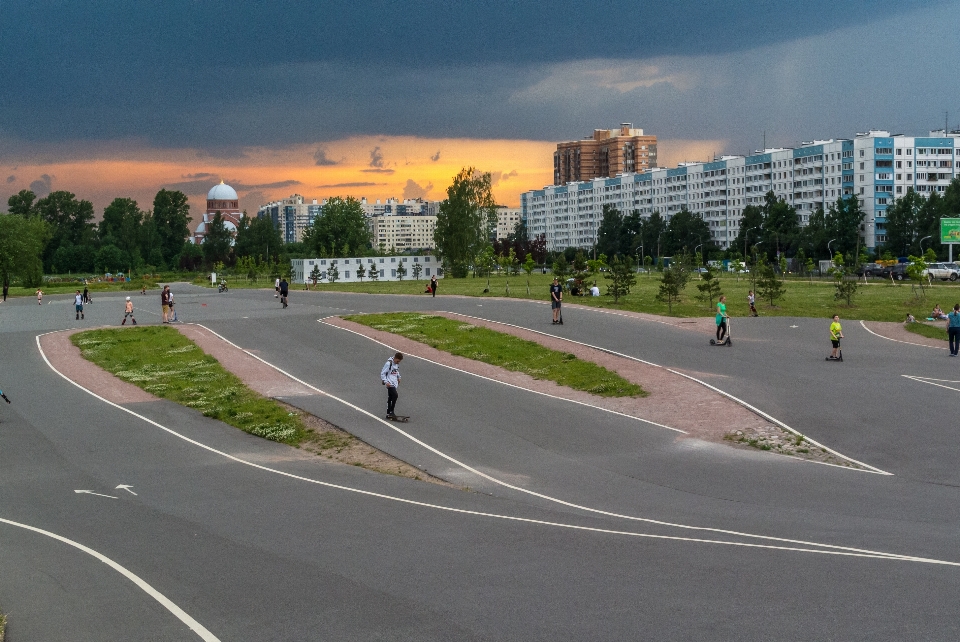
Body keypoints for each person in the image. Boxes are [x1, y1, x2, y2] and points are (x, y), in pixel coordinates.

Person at [380, 352, 403, 418]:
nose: (398, 362)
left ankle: (388, 413)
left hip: (394, 383)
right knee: (395, 395)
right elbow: (383, 373)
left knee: (390, 397)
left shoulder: (396, 364)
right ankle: (391, 412)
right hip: (389, 383)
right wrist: (386, 381)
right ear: (395, 358)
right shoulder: (388, 364)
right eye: (398, 361)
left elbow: (396, 371)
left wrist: (399, 377)